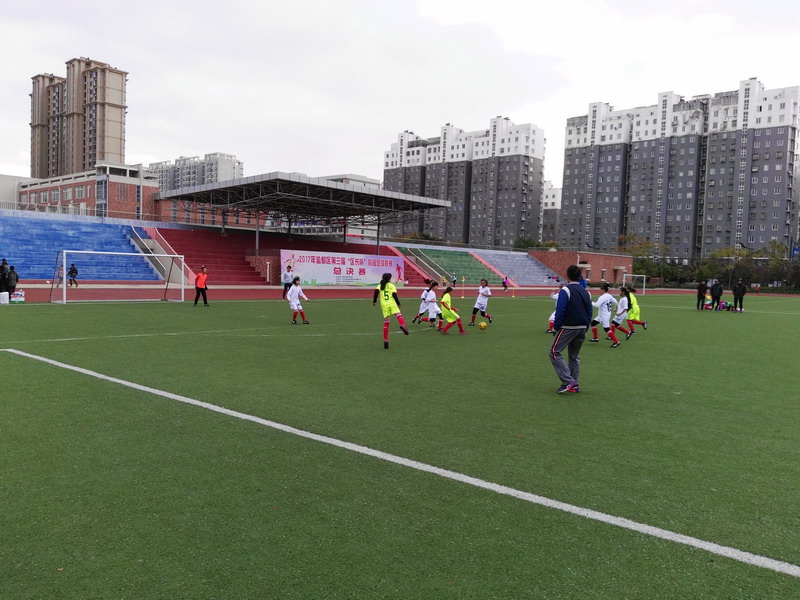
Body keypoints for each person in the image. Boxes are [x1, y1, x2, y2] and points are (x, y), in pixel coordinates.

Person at [549, 264, 592, 393]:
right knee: (574, 356)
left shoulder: (566, 290)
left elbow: (560, 310)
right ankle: (574, 383)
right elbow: (589, 311)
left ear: (567, 275)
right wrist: (586, 327)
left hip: (569, 326)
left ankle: (568, 381)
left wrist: (556, 327)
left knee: (554, 352)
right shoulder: (586, 292)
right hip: (582, 327)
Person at [373, 272, 408, 349]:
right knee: (398, 315)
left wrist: (374, 301)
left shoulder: (380, 285)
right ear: (389, 279)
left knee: (386, 323)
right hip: (392, 303)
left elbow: (376, 292)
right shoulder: (391, 285)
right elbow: (394, 295)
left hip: (384, 305)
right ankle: (402, 325)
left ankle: (386, 341)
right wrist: (398, 303)